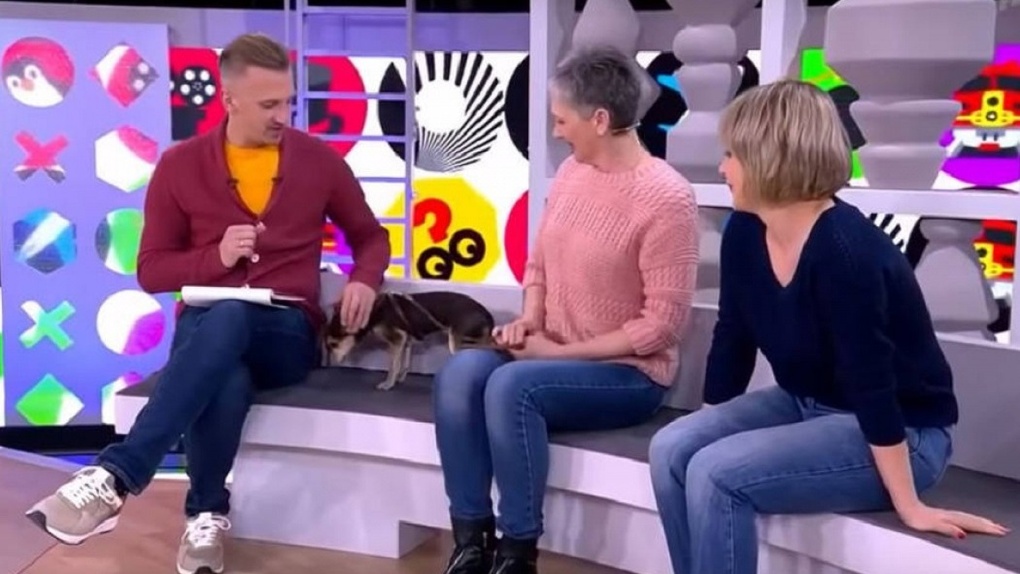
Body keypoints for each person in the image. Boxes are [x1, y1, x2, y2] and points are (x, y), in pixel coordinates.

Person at [25, 33, 390, 574]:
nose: (283, 115)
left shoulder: (318, 162)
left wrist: (364, 279)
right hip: (207, 331)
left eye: (287, 102)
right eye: (269, 104)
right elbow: (152, 271)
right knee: (226, 370)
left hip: (286, 333)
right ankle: (206, 516)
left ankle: (115, 477)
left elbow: (371, 237)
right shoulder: (180, 166)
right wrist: (214, 257)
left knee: (232, 318)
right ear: (229, 100)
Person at [647, 79, 1009, 574]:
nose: (722, 168)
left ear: (770, 159)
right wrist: (708, 426)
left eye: (732, 155)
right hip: (807, 402)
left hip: (904, 432)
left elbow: (873, 383)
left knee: (715, 472)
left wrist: (910, 505)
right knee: (673, 447)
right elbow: (733, 337)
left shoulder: (846, 251)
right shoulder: (746, 232)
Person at [433, 47, 700, 574]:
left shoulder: (667, 198)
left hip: (627, 374)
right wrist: (529, 321)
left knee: (511, 386)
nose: (555, 132)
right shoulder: (574, 173)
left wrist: (557, 355)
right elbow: (539, 264)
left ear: (599, 119)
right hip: (550, 350)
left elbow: (662, 327)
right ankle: (470, 543)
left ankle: (517, 553)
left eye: (561, 120)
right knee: (460, 374)